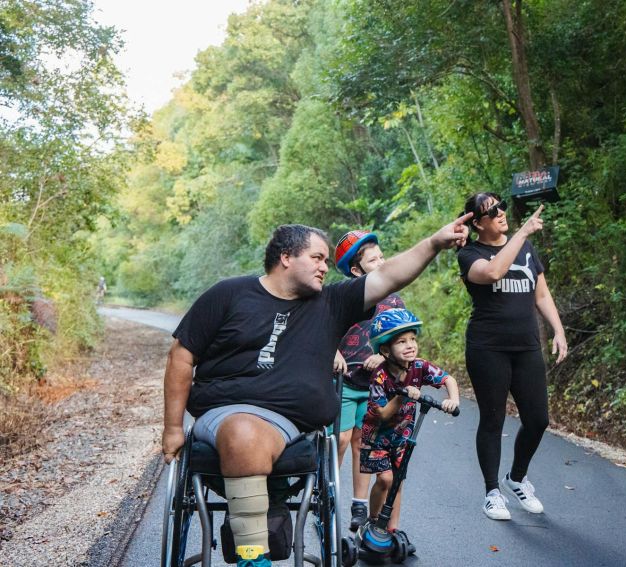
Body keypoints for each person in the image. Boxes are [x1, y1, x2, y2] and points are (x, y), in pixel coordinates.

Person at [162, 218, 470, 567]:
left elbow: (388, 276)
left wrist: (433, 243)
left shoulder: (331, 302)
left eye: (327, 260)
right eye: (318, 258)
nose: (326, 267)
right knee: (242, 429)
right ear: (286, 257)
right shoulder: (227, 294)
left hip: (294, 423)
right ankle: (252, 557)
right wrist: (173, 427)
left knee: (248, 432)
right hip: (225, 413)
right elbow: (181, 356)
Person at [456, 193, 567, 521]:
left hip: (526, 346)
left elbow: (541, 293)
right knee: (493, 419)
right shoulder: (470, 254)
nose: (501, 213)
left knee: (538, 420)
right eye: (492, 211)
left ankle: (516, 478)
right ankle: (492, 492)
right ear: (477, 222)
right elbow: (491, 273)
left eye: (501, 206)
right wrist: (522, 233)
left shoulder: (527, 249)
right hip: (487, 348)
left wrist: (558, 331)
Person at [360, 308, 459, 534]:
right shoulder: (380, 375)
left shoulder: (419, 366)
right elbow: (383, 414)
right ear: (385, 349)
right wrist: (402, 394)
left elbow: (448, 379)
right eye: (402, 341)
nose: (410, 345)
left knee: (398, 479)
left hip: (403, 436)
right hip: (378, 436)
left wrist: (452, 400)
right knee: (385, 479)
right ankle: (373, 520)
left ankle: (393, 528)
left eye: (413, 339)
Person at [331, 230, 405, 532]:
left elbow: (402, 340)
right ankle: (328, 495)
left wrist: (385, 358)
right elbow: (322, 328)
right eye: (373, 260)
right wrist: (333, 351)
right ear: (356, 269)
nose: (382, 261)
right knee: (341, 439)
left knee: (364, 441)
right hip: (345, 383)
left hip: (375, 386)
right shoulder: (344, 296)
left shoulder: (394, 300)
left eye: (382, 256)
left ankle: (359, 504)